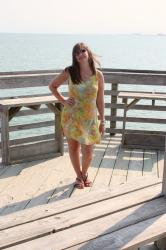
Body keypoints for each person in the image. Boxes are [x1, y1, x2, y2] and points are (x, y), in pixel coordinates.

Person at [49, 42, 105, 189]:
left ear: (88, 52)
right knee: (74, 148)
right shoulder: (70, 71)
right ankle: (79, 177)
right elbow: (52, 86)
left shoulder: (98, 75)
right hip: (72, 117)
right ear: (75, 56)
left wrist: (103, 120)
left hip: (90, 119)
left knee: (89, 151)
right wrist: (63, 100)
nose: (80, 54)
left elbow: (100, 99)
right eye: (76, 53)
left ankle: (84, 173)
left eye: (82, 51)